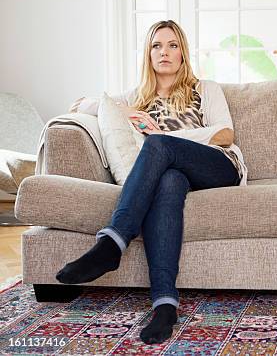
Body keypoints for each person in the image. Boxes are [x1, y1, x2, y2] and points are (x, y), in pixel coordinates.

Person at [56, 19, 248, 345]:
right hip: (179, 177)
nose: (165, 52)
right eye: (157, 46)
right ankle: (165, 304)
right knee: (169, 181)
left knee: (158, 145)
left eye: (173, 45)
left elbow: (225, 133)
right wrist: (126, 110)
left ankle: (113, 241)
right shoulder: (138, 97)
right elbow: (80, 104)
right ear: (148, 53)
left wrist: (168, 138)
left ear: (183, 53)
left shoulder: (205, 89)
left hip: (219, 166)